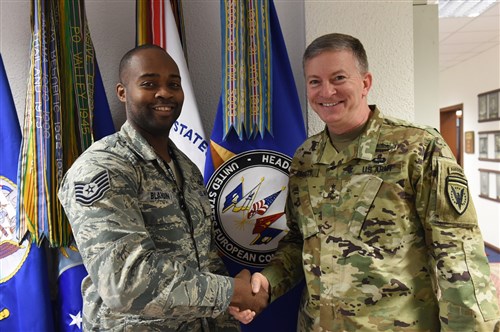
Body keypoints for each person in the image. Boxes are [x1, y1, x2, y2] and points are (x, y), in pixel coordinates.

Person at [236, 33, 500, 331]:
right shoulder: (305, 158)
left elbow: (458, 258)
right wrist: (268, 281)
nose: (327, 91)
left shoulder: (418, 147)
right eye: (314, 81)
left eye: (338, 78)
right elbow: (301, 243)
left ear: (365, 83)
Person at [58, 44, 265, 331]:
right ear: (122, 92)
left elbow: (204, 258)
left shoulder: (186, 168)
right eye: (149, 83)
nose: (164, 93)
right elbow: (125, 281)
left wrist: (233, 305)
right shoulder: (103, 168)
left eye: (173, 84)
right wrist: (230, 291)